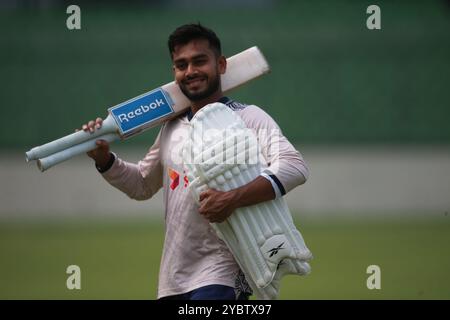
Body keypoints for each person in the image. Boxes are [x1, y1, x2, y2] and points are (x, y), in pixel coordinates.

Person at [81, 23, 309, 300]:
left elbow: (294, 166)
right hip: (174, 278)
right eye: (181, 65)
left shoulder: (248, 118)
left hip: (227, 272)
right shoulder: (171, 127)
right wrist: (104, 159)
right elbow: (142, 184)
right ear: (174, 72)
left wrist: (233, 198)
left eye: (200, 61)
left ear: (221, 65)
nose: (191, 71)